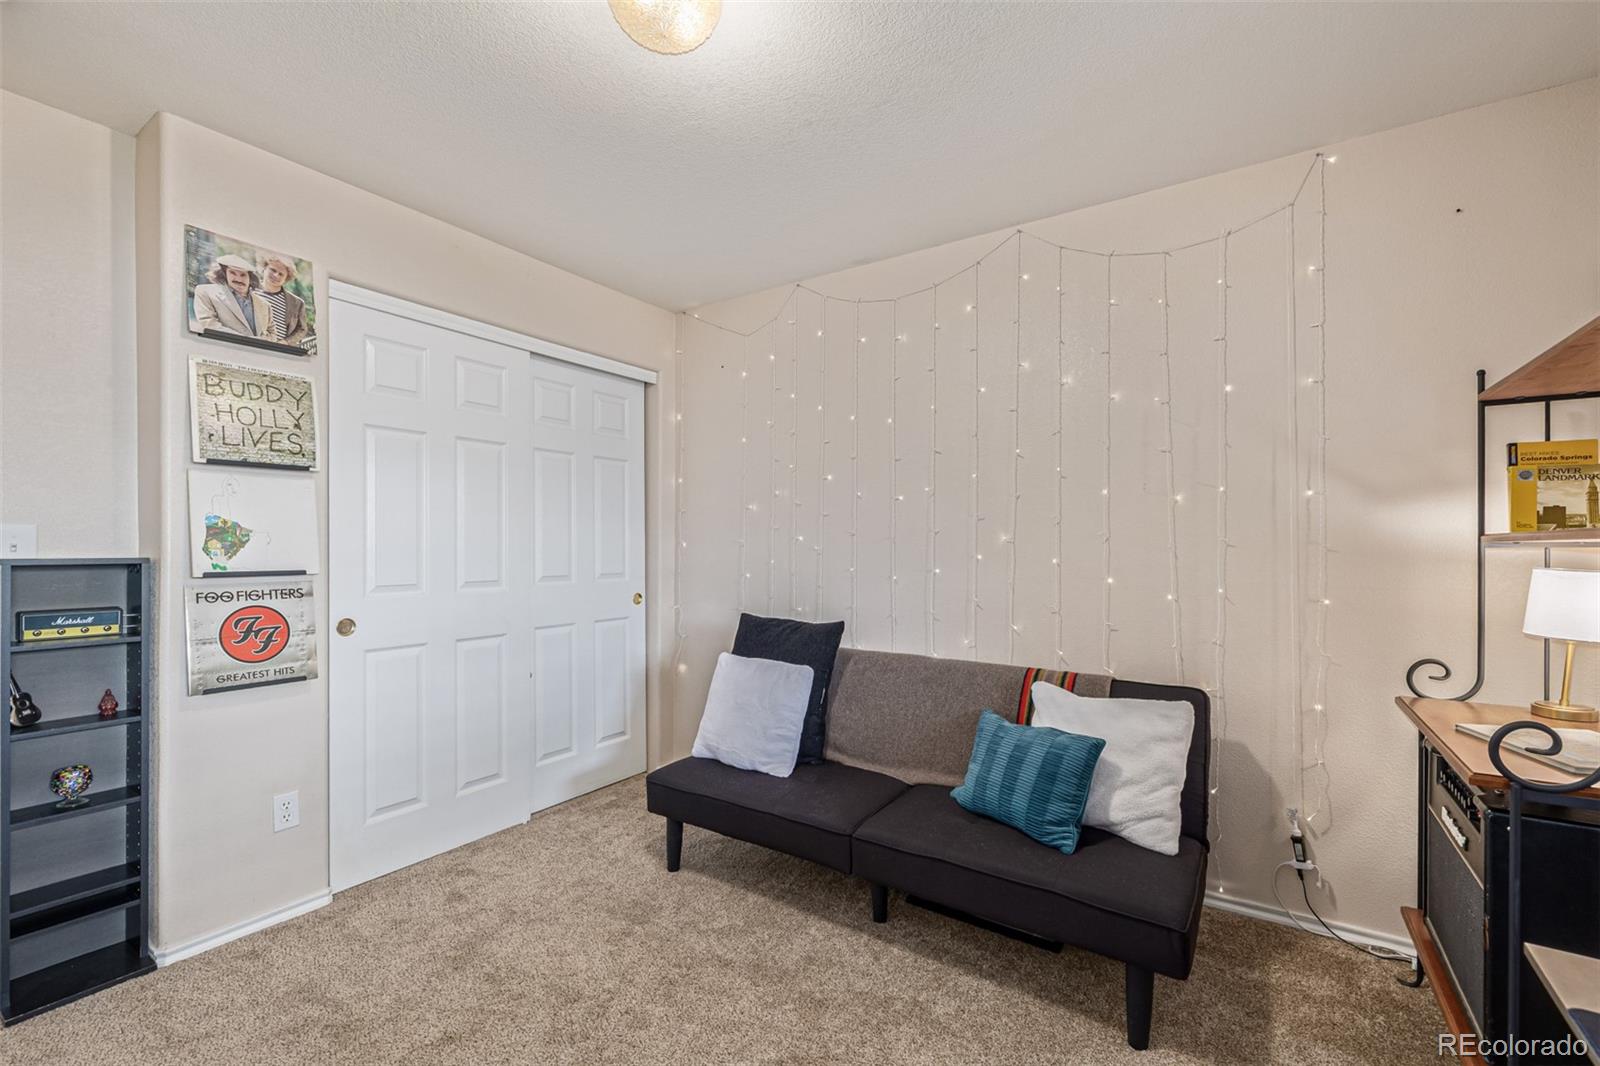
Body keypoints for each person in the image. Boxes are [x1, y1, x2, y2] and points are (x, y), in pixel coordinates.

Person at [192, 254, 259, 336]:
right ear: (224, 274)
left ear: (250, 278)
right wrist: (247, 340)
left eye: (243, 275)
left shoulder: (264, 304)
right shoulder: (204, 292)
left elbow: (271, 334)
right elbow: (209, 324)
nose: (238, 279)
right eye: (232, 273)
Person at [253, 254, 309, 348]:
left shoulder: (297, 303)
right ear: (264, 268)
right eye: (273, 270)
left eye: (281, 274)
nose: (276, 275)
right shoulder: (250, 291)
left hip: (280, 351)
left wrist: (285, 342)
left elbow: (302, 329)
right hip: (253, 345)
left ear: (286, 279)